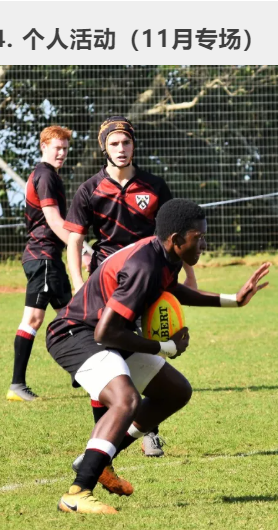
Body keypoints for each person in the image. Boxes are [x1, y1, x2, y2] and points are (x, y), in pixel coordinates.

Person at [47, 198, 271, 513]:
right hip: (76, 335)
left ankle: (98, 458)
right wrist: (166, 348)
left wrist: (232, 299)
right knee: (126, 400)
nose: (204, 245)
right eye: (199, 238)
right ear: (176, 239)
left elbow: (173, 290)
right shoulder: (144, 266)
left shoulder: (165, 256)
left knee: (175, 392)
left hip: (110, 334)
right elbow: (104, 333)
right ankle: (77, 493)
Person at [63, 115, 197, 457]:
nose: (121, 148)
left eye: (126, 142)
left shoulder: (154, 186)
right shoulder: (90, 189)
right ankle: (104, 438)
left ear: (134, 145)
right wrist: (78, 282)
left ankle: (148, 430)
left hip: (149, 282)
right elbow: (74, 240)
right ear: (104, 148)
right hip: (106, 286)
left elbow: (176, 235)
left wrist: (190, 277)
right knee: (107, 357)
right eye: (114, 143)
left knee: (147, 351)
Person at [6, 126, 73, 402]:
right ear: (43, 146)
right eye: (57, 147)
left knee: (71, 315)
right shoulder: (45, 175)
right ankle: (17, 385)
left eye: (65, 148)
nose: (62, 153)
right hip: (42, 257)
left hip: (47, 258)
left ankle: (81, 372)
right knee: (36, 319)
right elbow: (54, 221)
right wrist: (80, 250)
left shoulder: (46, 174)